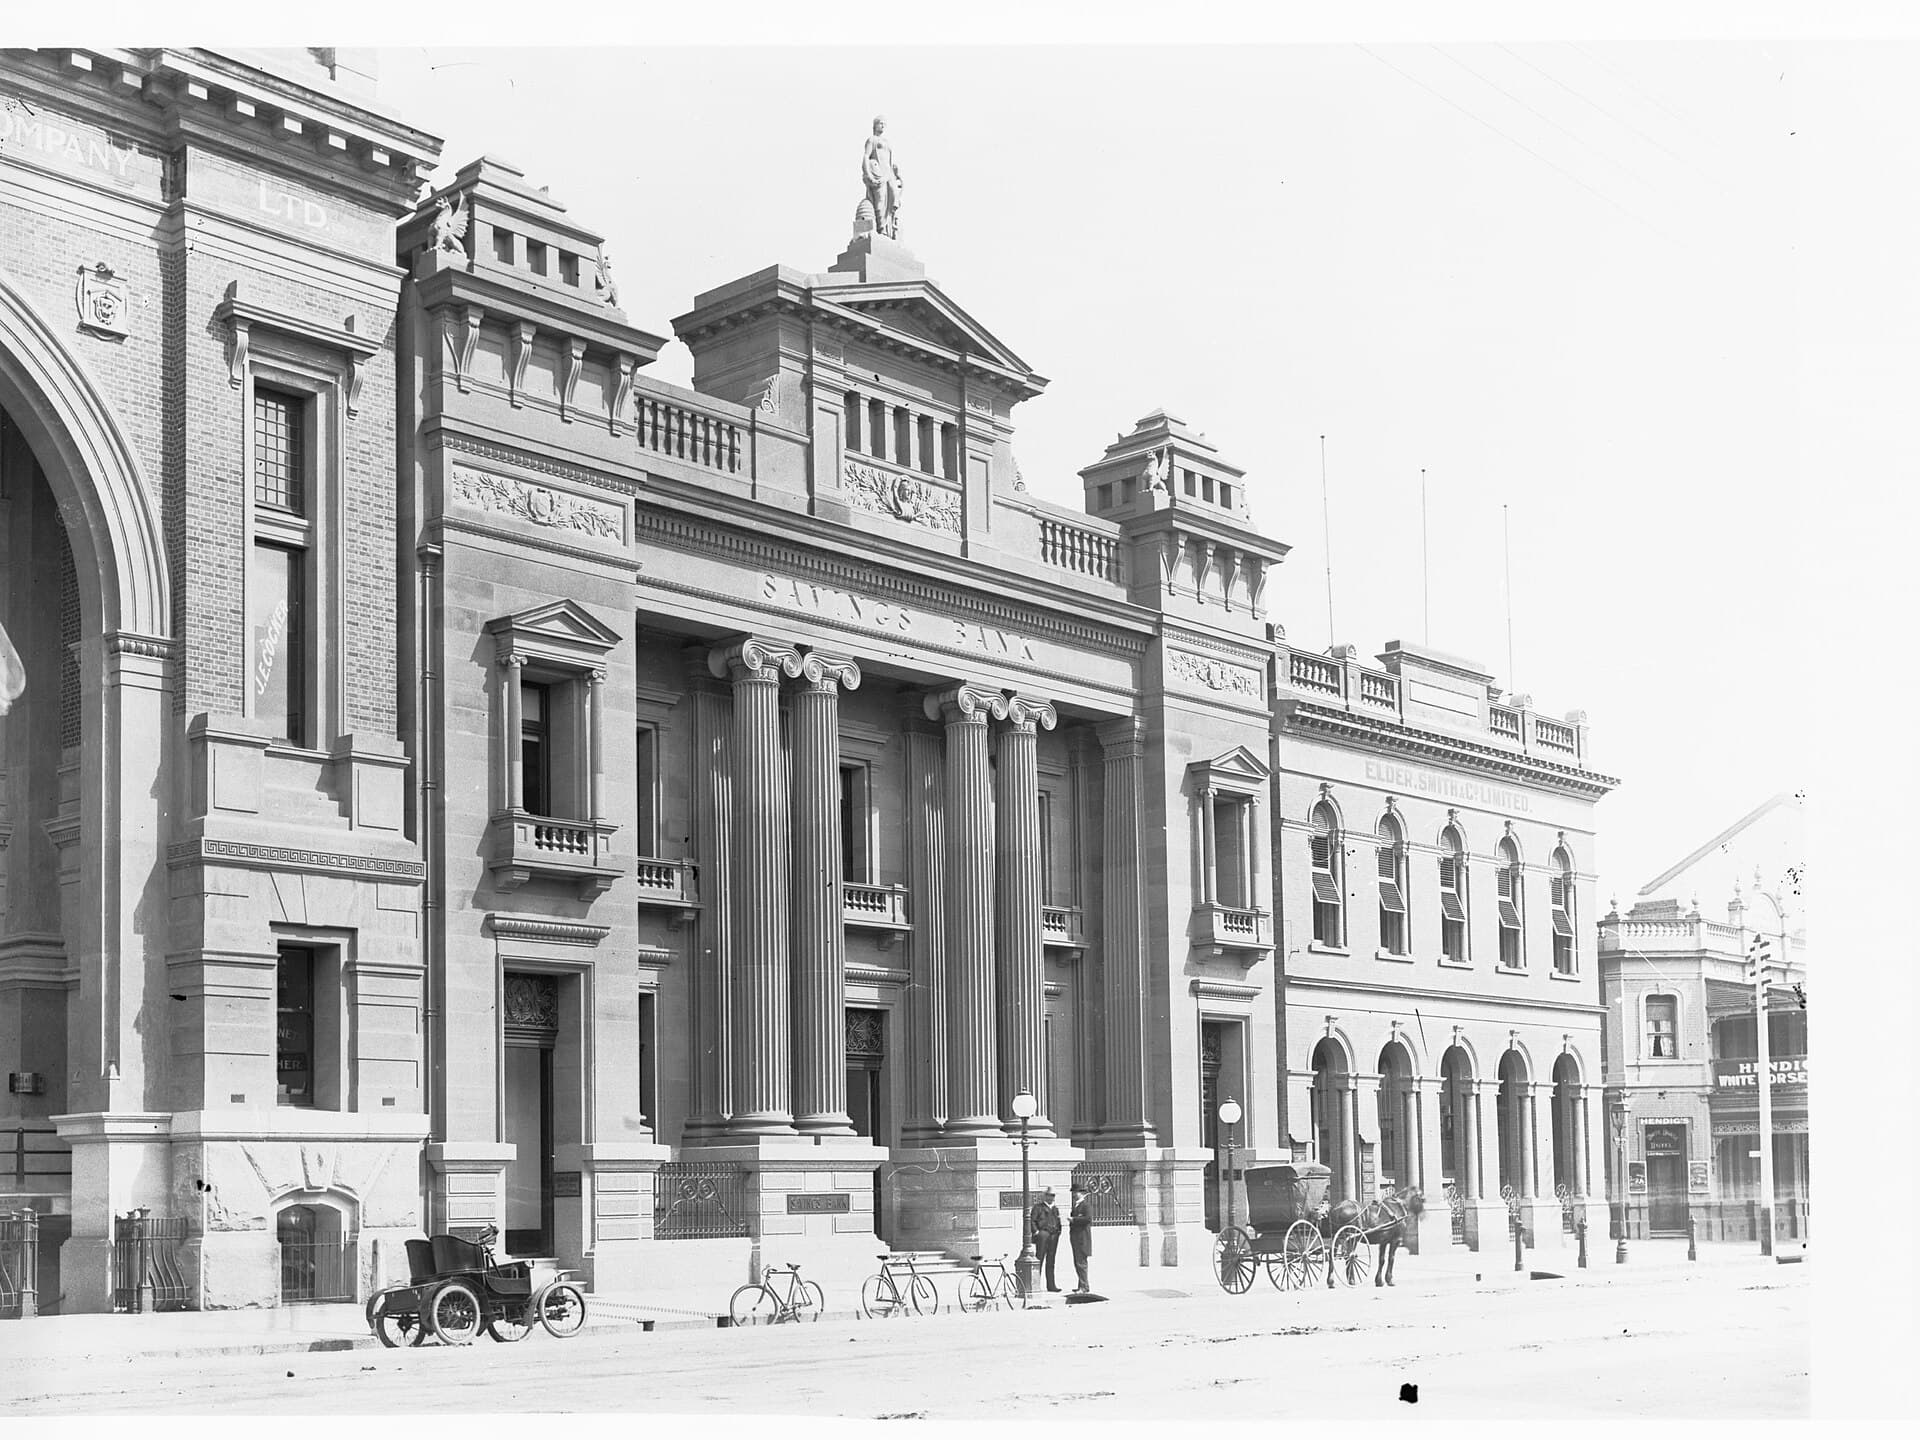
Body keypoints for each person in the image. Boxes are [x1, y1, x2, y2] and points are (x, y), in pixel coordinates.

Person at [862, 115, 903, 239]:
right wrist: (868, 173)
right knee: (880, 200)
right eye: (880, 123)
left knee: (892, 199)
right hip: (878, 171)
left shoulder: (887, 142)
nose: (883, 125)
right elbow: (866, 156)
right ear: (875, 125)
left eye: (884, 123)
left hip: (888, 172)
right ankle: (882, 229)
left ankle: (891, 230)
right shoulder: (872, 140)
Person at [1030, 1186, 1062, 1292]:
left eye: (1053, 1195)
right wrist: (1037, 1232)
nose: (1051, 1198)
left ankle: (1051, 1285)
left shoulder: (1055, 1209)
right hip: (1043, 1235)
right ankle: (1036, 1285)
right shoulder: (1038, 1207)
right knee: (1039, 1260)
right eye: (1049, 1195)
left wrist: (1058, 1232)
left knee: (1051, 1261)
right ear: (1045, 1196)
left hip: (1053, 1236)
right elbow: (1032, 1221)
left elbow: (1058, 1222)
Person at [1068, 1181, 1093, 1293]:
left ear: (1081, 1193)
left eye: (1076, 1192)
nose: (1074, 1195)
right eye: (1073, 1192)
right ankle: (1081, 1285)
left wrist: (1074, 1220)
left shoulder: (1086, 1206)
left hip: (1082, 1239)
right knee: (1078, 1263)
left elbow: (1088, 1219)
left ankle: (1084, 1287)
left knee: (1081, 1263)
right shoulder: (1076, 1206)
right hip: (1076, 1238)